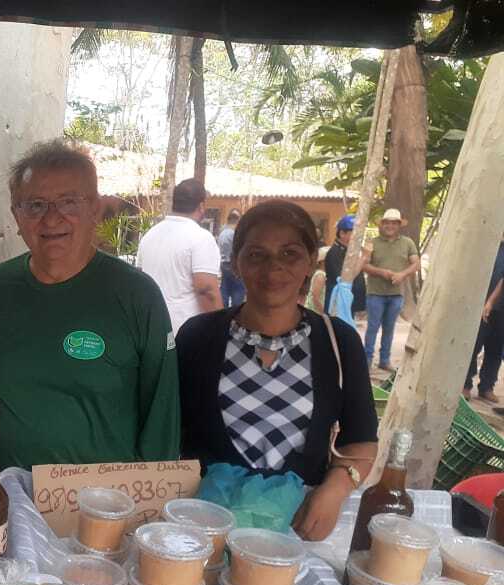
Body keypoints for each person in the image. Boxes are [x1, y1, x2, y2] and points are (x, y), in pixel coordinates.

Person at [0, 139, 180, 469]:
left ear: (94, 209)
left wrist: (149, 503)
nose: (52, 219)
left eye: (68, 203)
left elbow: (162, 414)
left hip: (103, 506)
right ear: (16, 215)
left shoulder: (137, 294)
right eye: (35, 205)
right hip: (6, 497)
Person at [177, 200, 378, 541]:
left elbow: (360, 440)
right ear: (236, 263)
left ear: (310, 261)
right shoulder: (198, 336)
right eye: (256, 254)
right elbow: (167, 432)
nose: (273, 269)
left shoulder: (338, 342)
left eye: (289, 254)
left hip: (297, 533)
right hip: (203, 532)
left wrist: (334, 491)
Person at [136, 178, 222, 333]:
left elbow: (139, 281)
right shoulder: (201, 238)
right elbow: (206, 290)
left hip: (150, 327)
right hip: (184, 332)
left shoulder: (150, 236)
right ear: (201, 206)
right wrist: (220, 329)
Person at [361, 209, 420, 370]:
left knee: (389, 328)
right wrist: (381, 272)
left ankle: (384, 360)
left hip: (396, 294)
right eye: (387, 223)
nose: (390, 226)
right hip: (375, 293)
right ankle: (366, 360)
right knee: (372, 327)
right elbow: (363, 265)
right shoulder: (372, 242)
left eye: (394, 223)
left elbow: (416, 263)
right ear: (382, 225)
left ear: (399, 225)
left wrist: (402, 274)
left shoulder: (407, 242)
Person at [464, 235, 504, 402]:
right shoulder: (489, 246)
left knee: (496, 349)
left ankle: (487, 386)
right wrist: (487, 303)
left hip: (501, 309)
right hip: (481, 305)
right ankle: (465, 384)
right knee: (473, 345)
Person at [322, 214, 367, 317]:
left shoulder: (348, 251)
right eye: (354, 233)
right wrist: (363, 258)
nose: (358, 236)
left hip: (348, 301)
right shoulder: (335, 252)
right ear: (342, 233)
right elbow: (345, 279)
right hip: (339, 303)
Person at [217, 209, 245, 307]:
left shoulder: (222, 232)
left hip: (224, 264)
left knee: (225, 288)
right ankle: (235, 311)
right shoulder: (233, 234)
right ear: (237, 221)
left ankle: (223, 310)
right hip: (234, 264)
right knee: (238, 290)